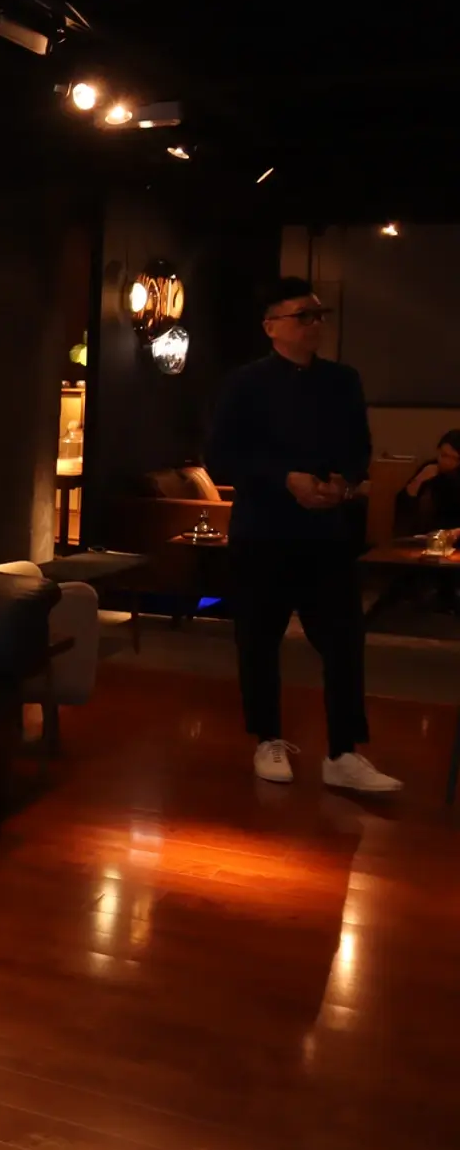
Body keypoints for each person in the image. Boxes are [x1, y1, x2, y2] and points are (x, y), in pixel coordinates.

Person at [205, 276, 400, 792]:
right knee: (259, 640)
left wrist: (344, 482)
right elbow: (221, 456)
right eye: (303, 316)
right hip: (262, 531)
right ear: (271, 326)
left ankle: (344, 752)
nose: (315, 325)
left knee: (344, 641)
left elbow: (359, 447)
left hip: (326, 533)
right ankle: (267, 738)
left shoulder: (342, 380)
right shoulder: (245, 383)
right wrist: (283, 478)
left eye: (320, 315)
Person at [396, 429, 460, 535]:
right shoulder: (430, 467)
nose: (447, 462)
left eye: (454, 458)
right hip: (422, 535)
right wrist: (420, 479)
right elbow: (403, 502)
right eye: (444, 455)